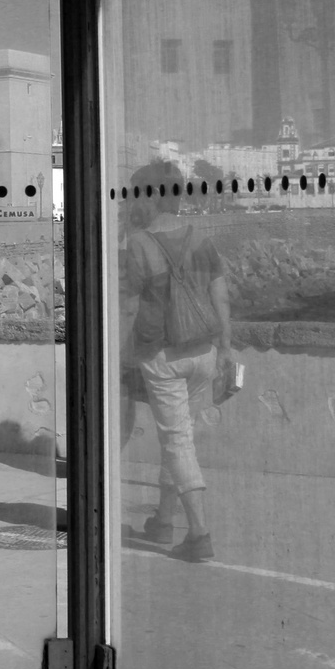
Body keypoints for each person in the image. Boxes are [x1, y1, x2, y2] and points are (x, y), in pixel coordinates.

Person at [118, 161, 233, 562]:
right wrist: (227, 347)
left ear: (147, 198)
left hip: (162, 354)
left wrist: (120, 353)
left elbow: (129, 305)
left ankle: (198, 534)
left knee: (177, 441)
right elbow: (220, 295)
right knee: (180, 437)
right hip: (204, 352)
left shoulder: (140, 243)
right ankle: (164, 521)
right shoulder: (201, 238)